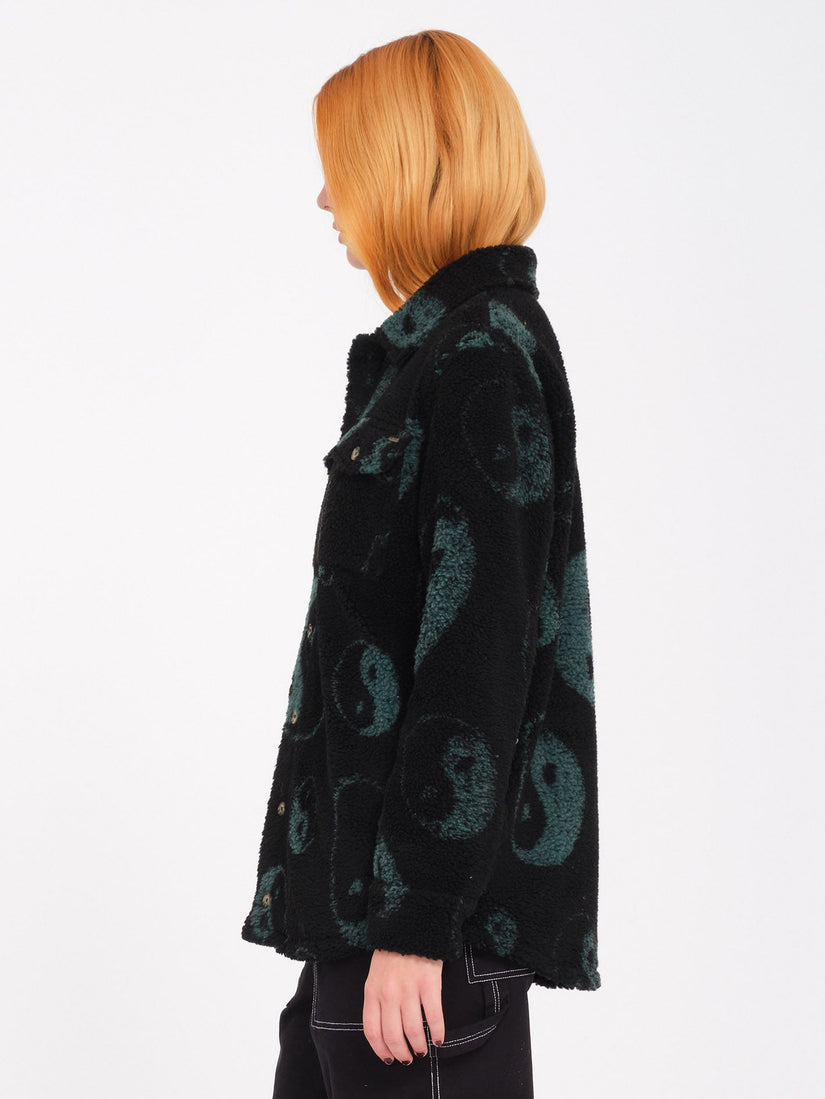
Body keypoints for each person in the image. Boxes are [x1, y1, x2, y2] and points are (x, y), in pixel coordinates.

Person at [241, 29, 601, 1098]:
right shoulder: (444, 353)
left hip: (413, 941)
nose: (325, 199)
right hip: (366, 922)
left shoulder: (481, 354)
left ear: (407, 166)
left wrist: (419, 920)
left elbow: (478, 652)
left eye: (341, 168)